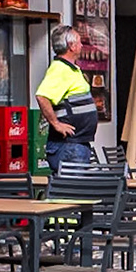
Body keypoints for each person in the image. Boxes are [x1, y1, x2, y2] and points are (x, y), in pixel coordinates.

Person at [35, 24, 100, 172]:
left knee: (75, 191)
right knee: (72, 191)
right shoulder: (59, 69)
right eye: (78, 41)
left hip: (76, 144)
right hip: (68, 146)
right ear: (71, 46)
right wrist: (56, 124)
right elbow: (42, 96)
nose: (82, 45)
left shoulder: (70, 69)